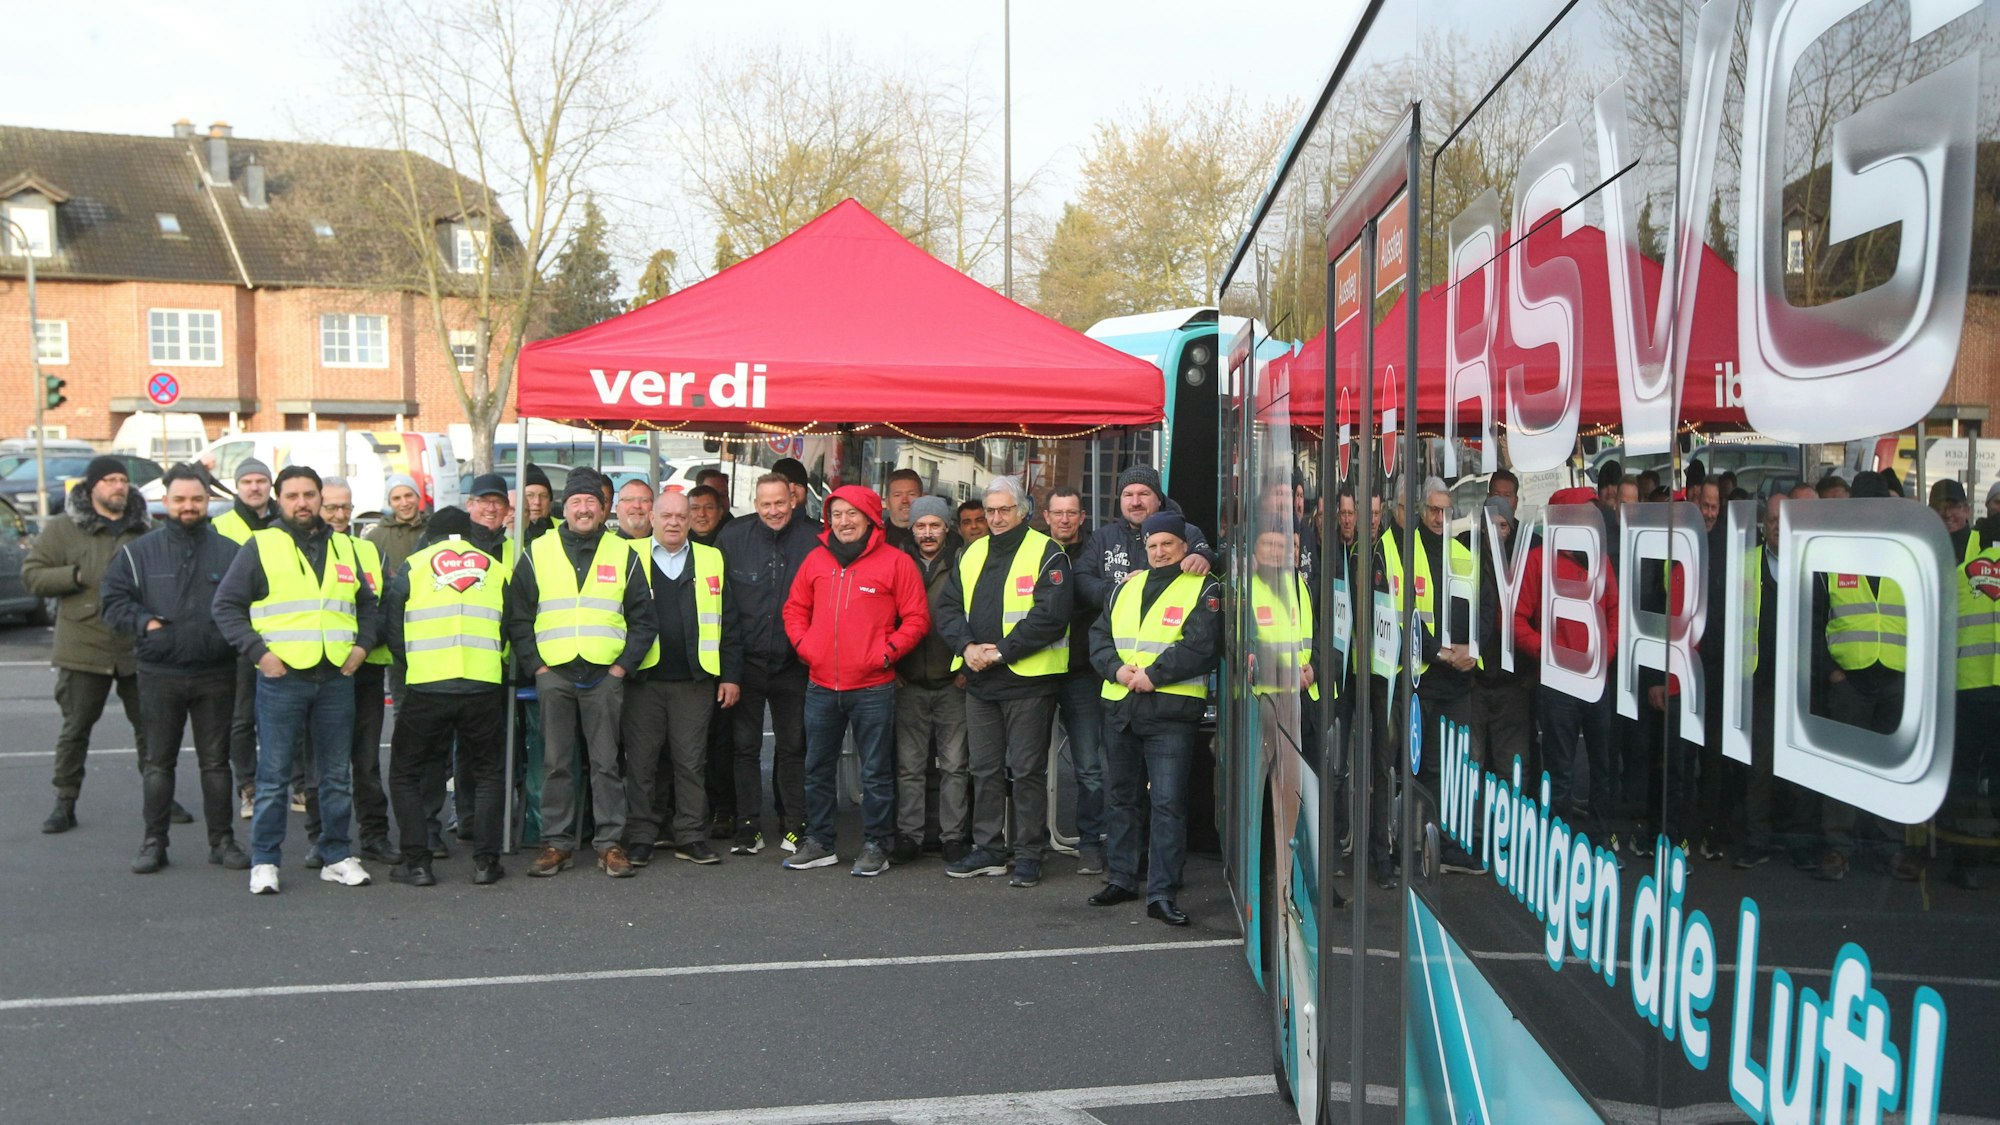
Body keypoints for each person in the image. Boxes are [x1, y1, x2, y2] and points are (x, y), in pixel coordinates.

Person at [212, 465, 380, 894]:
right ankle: (265, 861)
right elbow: (226, 605)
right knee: (273, 778)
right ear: (279, 499)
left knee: (336, 776)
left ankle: (336, 855)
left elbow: (367, 605)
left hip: (336, 675)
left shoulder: (344, 547)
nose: (302, 503)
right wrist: (260, 654)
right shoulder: (262, 545)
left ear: (320, 497)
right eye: (292, 496)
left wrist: (362, 647)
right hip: (283, 677)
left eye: (309, 494)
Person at [507, 469, 657, 879]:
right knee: (556, 763)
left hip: (604, 676)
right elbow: (518, 616)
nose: (584, 509)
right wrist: (537, 666)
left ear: (604, 509)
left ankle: (609, 844)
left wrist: (621, 667)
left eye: (591, 501)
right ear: (565, 508)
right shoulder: (538, 551)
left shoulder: (622, 553)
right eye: (576, 502)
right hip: (554, 673)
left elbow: (644, 619)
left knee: (606, 763)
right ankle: (556, 843)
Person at [101, 464, 244, 872]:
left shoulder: (231, 552)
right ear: (165, 502)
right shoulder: (138, 553)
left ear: (208, 501)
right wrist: (145, 623)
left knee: (216, 763)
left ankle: (222, 842)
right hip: (159, 673)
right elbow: (113, 601)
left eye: (196, 499)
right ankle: (154, 843)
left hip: (216, 672)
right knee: (158, 763)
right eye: (180, 499)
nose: (188, 506)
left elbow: (252, 601)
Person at [781, 486, 930, 875]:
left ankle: (877, 845)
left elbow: (917, 618)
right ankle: (820, 842)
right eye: (836, 514)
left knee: (876, 772)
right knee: (817, 768)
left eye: (852, 514)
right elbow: (794, 608)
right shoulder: (815, 559)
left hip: (872, 686)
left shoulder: (896, 562)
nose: (844, 522)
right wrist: (805, 646)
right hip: (820, 684)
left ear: (870, 518)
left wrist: (887, 653)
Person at [933, 475, 1073, 887]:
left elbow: (1050, 617)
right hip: (981, 681)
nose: (995, 518)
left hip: (1028, 680)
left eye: (1004, 510)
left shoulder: (1048, 552)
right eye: (990, 510)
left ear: (1022, 511)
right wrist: (967, 647)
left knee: (1027, 771)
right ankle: (989, 849)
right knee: (984, 770)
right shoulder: (971, 552)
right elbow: (948, 608)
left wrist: (998, 652)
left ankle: (1029, 854)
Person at [1086, 512, 1221, 926]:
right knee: (1121, 798)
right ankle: (1122, 877)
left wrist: (1153, 676)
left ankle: (1162, 891)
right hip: (1122, 707)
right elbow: (1099, 637)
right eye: (1153, 546)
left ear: (1184, 546)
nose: (1160, 552)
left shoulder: (1204, 587)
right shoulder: (1125, 587)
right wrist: (1117, 670)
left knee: (1167, 804)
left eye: (1168, 544)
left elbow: (1202, 646)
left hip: (1170, 712)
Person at [381, 506, 515, 886]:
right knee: (488, 774)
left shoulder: (414, 566)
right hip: (482, 684)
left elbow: (394, 628)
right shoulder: (495, 568)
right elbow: (507, 626)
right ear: (468, 534)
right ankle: (486, 863)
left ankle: (417, 863)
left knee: (406, 772)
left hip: (427, 684)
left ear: (431, 535)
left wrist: (413, 664)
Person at [22, 455, 153, 835]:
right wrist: (75, 575)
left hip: (136, 645)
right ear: (92, 486)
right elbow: (32, 575)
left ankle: (159, 797)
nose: (118, 486)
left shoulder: (146, 528)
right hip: (82, 646)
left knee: (151, 729)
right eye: (109, 480)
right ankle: (65, 802)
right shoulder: (63, 528)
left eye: (122, 480)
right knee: (75, 729)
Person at [621, 489, 740, 868]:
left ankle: (690, 835)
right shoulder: (628, 554)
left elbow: (729, 621)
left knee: (691, 762)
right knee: (642, 763)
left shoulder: (711, 558)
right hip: (642, 679)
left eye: (681, 516)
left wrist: (730, 675)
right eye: (667, 516)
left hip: (695, 680)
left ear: (689, 521)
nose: (674, 522)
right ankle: (641, 836)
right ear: (652, 519)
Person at [716, 473, 821, 854]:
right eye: (766, 504)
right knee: (744, 748)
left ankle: (794, 824)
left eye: (780, 503)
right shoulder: (733, 537)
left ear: (793, 500)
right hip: (745, 662)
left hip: (796, 663)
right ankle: (748, 826)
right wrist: (729, 670)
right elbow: (722, 606)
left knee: (793, 746)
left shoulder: (816, 538)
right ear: (755, 503)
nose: (774, 511)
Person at [309, 476, 397, 865]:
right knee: (322, 763)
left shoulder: (369, 551)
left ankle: (374, 836)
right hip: (320, 670)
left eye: (345, 507)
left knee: (366, 762)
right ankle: (322, 838)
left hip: (365, 670)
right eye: (331, 507)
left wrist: (363, 646)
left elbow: (385, 606)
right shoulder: (306, 551)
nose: (340, 514)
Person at [894, 496, 968, 862]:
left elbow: (977, 615)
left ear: (946, 528)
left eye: (934, 526)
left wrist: (967, 668)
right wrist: (892, 667)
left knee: (955, 766)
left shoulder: (964, 562)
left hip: (952, 680)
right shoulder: (896, 562)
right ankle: (910, 836)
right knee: (909, 766)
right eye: (920, 526)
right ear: (911, 529)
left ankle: (953, 837)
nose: (927, 533)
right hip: (907, 680)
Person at [1044, 485, 1107, 873]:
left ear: (1082, 517)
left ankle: (1090, 842)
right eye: (1058, 513)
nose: (1065, 519)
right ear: (1046, 517)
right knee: (1026, 765)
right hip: (1035, 670)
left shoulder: (1096, 553)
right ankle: (1027, 842)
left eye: (1071, 513)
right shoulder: (1034, 551)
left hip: (1082, 672)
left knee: (1089, 765)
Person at [214, 458, 276, 817]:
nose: (254, 487)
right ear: (237, 487)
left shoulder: (285, 522)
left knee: (288, 717)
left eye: (261, 481)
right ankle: (248, 787)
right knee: (241, 718)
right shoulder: (221, 525)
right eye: (247, 481)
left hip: (283, 634)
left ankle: (297, 785)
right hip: (240, 636)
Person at [1075, 466, 1215, 615]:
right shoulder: (1103, 537)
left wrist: (1203, 557)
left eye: (1144, 494)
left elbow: (1209, 557)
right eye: (1128, 495)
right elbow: (1081, 579)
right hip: (1114, 625)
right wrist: (1119, 590)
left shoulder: (1185, 532)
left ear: (1159, 499)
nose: (1135, 502)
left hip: (1169, 624)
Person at [366, 473, 429, 577]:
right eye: (396, 498)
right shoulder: (375, 537)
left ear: (418, 497)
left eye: (408, 495)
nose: (404, 503)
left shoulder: (434, 530)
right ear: (389, 503)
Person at [882, 468, 924, 550]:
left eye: (911, 494)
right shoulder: (874, 539)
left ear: (922, 499)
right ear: (887, 502)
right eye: (897, 495)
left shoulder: (936, 538)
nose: (905, 501)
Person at [521, 464, 556, 541]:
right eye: (530, 495)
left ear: (550, 500)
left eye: (543, 496)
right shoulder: (508, 530)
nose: (537, 502)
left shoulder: (565, 528)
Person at [614, 476, 655, 540]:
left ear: (654, 509)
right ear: (617, 509)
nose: (637, 505)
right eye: (628, 500)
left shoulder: (666, 543)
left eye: (644, 500)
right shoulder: (603, 544)